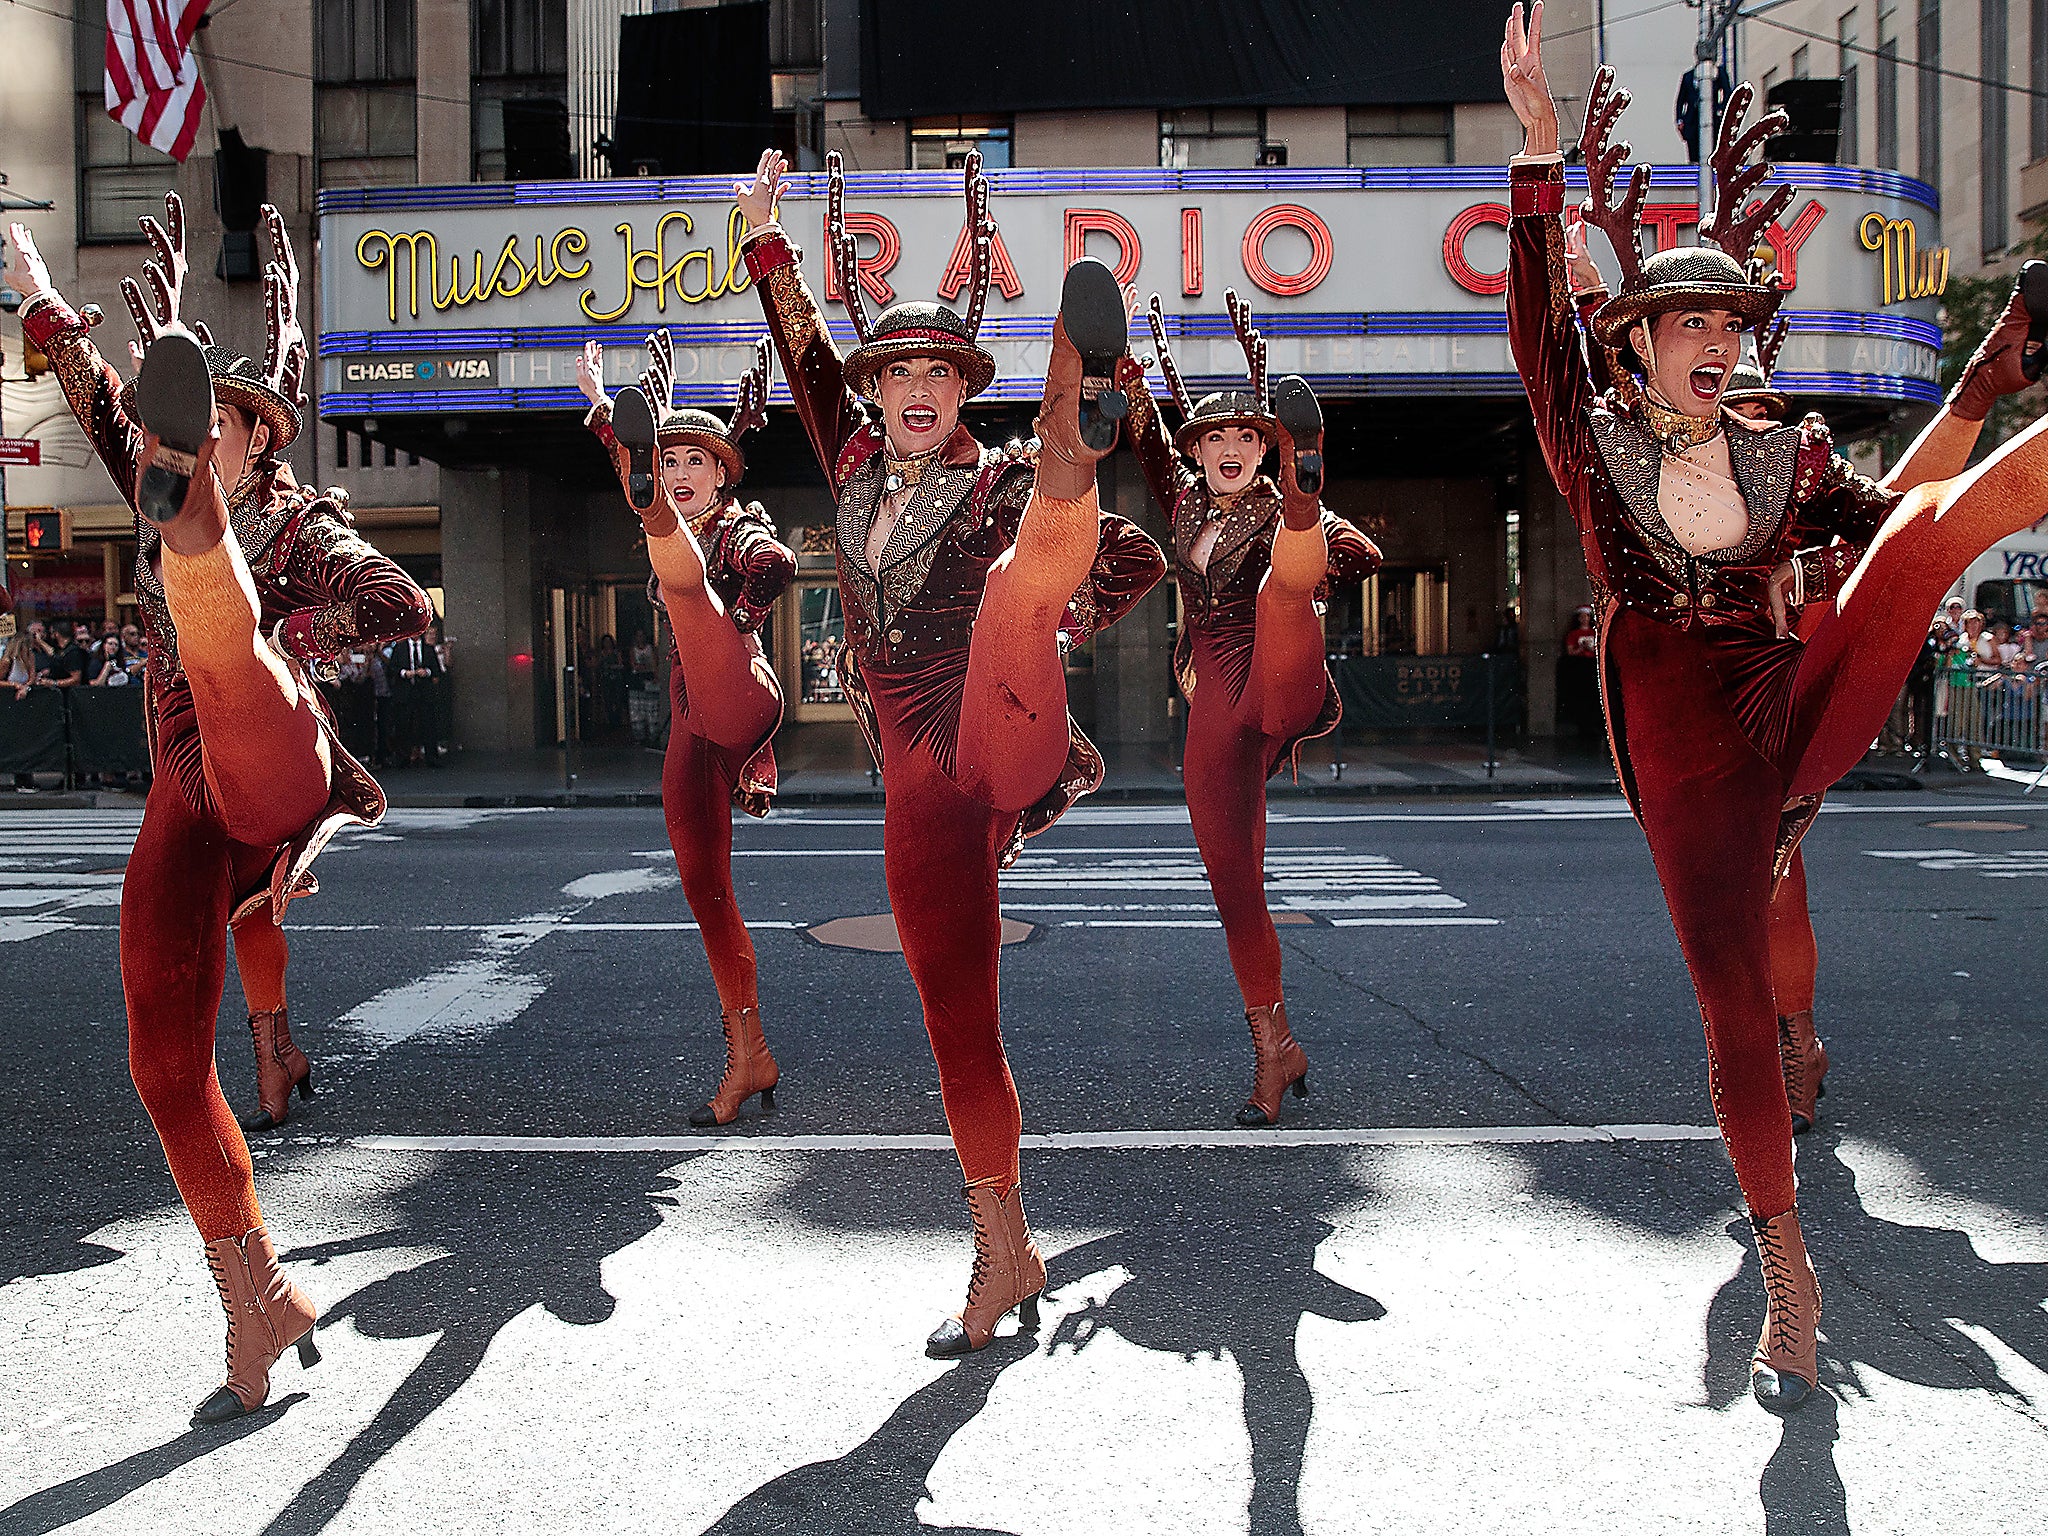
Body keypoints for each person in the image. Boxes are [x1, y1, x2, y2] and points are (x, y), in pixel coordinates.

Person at [1501, 1, 2048, 1412]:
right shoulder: (1596, 438)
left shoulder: (1790, 453)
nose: (1710, 342)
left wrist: (1984, 390)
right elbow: (1536, 334)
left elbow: (1899, 515)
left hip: (1790, 685)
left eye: (1726, 323)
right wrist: (1537, 155)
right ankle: (1788, 1269)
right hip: (1682, 730)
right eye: (1684, 322)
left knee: (1929, 539)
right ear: (1640, 345)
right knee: (1734, 997)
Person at [8, 195, 434, 1423]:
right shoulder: (152, 464)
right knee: (158, 1062)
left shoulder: (305, 515)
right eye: (179, 427)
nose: (201, 438)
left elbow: (399, 602)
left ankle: (217, 582)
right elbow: (94, 385)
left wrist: (294, 632)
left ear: (257, 435)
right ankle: (255, 1292)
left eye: (219, 428)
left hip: (276, 751)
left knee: (228, 633)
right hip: (189, 793)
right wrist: (34, 290)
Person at [735, 147, 1164, 1355]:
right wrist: (763, 236)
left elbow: (1131, 560)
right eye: (898, 372)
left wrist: (1062, 616)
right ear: (876, 393)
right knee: (955, 1024)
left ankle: (1074, 423)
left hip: (1002, 723)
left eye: (938, 371)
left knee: (1020, 580)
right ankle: (1004, 1250)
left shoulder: (989, 483)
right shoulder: (854, 466)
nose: (916, 387)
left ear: (966, 387)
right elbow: (805, 354)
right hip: (920, 788)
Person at [1127, 294, 1382, 1125]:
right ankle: (1277, 1046)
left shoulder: (1278, 506)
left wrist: (1314, 531)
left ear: (1269, 453)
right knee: (1234, 886)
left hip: (1280, 670)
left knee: (1284, 587)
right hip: (1214, 701)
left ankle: (1297, 550)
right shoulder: (1188, 503)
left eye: (1246, 437)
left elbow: (1364, 552)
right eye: (1214, 439)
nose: (1229, 449)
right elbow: (1141, 431)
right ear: (1197, 451)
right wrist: (1120, 352)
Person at [578, 329, 798, 1126]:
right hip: (688, 716)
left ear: (720, 474)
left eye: (692, 464)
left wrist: (741, 621)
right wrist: (598, 404)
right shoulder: (664, 507)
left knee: (692, 592)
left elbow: (775, 565)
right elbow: (631, 472)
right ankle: (750, 1051)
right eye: (666, 463)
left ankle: (709, 621)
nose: (677, 474)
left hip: (737, 685)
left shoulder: (734, 529)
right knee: (707, 891)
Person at [387, 628, 443, 766]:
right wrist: (405, 673)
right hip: (406, 692)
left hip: (423, 693)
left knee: (428, 724)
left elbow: (436, 670)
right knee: (404, 725)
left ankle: (431, 757)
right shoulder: (400, 649)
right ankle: (403, 757)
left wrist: (427, 672)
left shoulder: (428, 649)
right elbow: (392, 669)